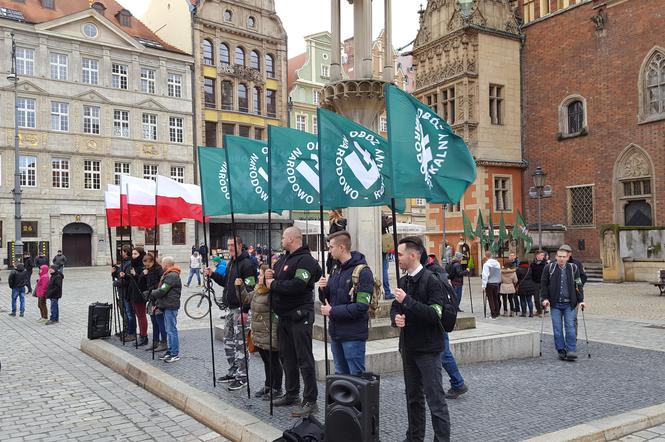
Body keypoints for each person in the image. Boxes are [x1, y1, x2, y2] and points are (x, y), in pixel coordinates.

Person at [390, 236, 450, 441]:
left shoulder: (432, 281)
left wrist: (407, 301)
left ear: (413, 255)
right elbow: (395, 308)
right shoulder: (403, 280)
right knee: (413, 398)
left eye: (399, 254)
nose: (396, 257)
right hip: (408, 347)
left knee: (435, 400)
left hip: (428, 349)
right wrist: (395, 318)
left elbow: (434, 315)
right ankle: (414, 437)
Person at [265, 226, 322, 418]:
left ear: (291, 238)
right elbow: (278, 280)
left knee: (304, 359)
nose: (281, 240)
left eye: (283, 237)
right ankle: (291, 393)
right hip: (284, 317)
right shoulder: (284, 259)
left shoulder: (305, 260)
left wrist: (273, 284)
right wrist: (270, 277)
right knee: (286, 357)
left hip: (299, 316)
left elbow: (298, 285)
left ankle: (310, 400)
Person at [206, 236, 257, 391]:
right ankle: (233, 371)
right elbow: (225, 283)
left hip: (240, 310)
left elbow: (250, 288)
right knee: (228, 343)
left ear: (240, 245)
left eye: (233, 245)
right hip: (230, 309)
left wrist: (246, 310)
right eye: (228, 245)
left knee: (240, 345)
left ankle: (243, 377)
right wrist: (212, 274)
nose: (230, 248)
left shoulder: (246, 264)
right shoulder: (231, 262)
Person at [319, 231, 373, 376]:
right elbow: (328, 299)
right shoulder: (336, 269)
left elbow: (361, 306)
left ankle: (359, 400)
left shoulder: (363, 272)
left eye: (331, 247)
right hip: (336, 332)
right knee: (340, 376)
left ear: (341, 248)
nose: (329, 251)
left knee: (355, 377)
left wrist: (332, 311)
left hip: (353, 334)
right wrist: (322, 289)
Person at [423, 253, 469, 400]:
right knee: (437, 353)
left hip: (437, 319)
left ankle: (458, 383)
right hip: (442, 318)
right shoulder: (438, 271)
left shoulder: (431, 274)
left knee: (443, 353)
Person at [238, 264, 283, 399]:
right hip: (259, 332)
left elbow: (277, 310)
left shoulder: (271, 292)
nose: (258, 276)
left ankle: (277, 388)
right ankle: (268, 384)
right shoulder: (258, 290)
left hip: (269, 332)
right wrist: (240, 287)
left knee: (273, 361)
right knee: (266, 361)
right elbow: (246, 299)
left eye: (260, 274)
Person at [540, 245, 586, 361]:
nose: (561, 259)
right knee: (557, 328)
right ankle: (561, 349)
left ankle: (571, 350)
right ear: (556, 257)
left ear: (567, 257)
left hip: (569, 304)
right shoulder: (549, 268)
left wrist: (581, 300)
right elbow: (543, 285)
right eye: (559, 256)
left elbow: (578, 284)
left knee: (570, 327)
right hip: (555, 304)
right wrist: (544, 299)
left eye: (564, 257)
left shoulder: (573, 268)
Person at [150, 256, 182, 363]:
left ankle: (174, 353)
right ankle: (170, 351)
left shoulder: (172, 275)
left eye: (162, 264)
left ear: (166, 264)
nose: (161, 266)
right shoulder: (169, 274)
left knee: (171, 330)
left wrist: (152, 293)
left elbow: (163, 290)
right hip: (166, 305)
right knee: (169, 330)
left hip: (170, 306)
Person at [140, 254, 165, 352]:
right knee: (154, 322)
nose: (146, 265)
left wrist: (152, 290)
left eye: (148, 263)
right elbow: (141, 284)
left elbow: (161, 284)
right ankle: (155, 341)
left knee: (160, 322)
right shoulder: (147, 270)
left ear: (152, 262)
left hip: (158, 298)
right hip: (151, 298)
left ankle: (164, 342)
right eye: (145, 263)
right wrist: (143, 275)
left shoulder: (159, 270)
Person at [481, 251, 502, 319]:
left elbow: (485, 275)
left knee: (491, 299)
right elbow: (499, 273)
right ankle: (497, 312)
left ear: (486, 256)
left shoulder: (486, 264)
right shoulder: (497, 263)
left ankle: (493, 314)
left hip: (489, 283)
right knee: (495, 298)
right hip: (496, 283)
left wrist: (483, 285)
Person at [326, 209, 347, 274]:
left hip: (336, 248)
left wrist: (329, 238)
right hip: (334, 247)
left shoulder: (338, 222)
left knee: (334, 266)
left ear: (335, 212)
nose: (328, 212)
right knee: (331, 266)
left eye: (330, 210)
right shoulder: (334, 222)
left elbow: (339, 235)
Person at [530, 250, 547, 317]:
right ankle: (539, 311)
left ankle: (543, 310)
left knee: (543, 297)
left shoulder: (545, 264)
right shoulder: (532, 264)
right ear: (537, 256)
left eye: (543, 255)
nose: (542, 257)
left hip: (543, 283)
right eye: (541, 255)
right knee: (536, 298)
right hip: (535, 282)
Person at [381, 215, 394, 299]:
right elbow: (391, 221)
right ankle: (387, 292)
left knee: (385, 270)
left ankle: (386, 291)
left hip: (381, 248)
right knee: (384, 270)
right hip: (383, 249)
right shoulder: (381, 218)